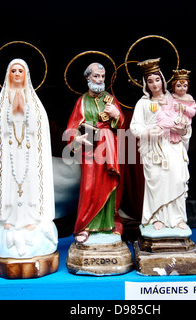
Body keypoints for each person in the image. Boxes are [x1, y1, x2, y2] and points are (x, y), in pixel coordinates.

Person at [0, 59, 58, 258]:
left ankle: (30, 220)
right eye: (13, 71)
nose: (17, 74)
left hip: (28, 154)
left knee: (29, 187)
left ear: (26, 75)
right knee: (9, 186)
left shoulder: (33, 100)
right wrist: (10, 113)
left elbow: (40, 127)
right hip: (10, 154)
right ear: (8, 75)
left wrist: (25, 111)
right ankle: (8, 219)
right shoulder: (3, 100)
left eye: (20, 71)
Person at [65, 62, 124, 243]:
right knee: (90, 187)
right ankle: (85, 225)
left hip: (109, 148)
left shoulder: (111, 99)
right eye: (96, 76)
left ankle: (108, 225)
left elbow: (122, 124)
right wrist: (77, 138)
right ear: (87, 78)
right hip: (90, 148)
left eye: (102, 76)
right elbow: (71, 128)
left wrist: (116, 115)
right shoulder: (81, 101)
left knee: (109, 183)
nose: (99, 80)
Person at [130, 58, 191, 232]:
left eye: (157, 80)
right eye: (150, 81)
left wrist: (182, 127)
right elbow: (134, 127)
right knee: (157, 181)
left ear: (163, 80)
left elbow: (186, 122)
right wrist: (148, 132)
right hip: (153, 149)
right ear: (145, 84)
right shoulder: (143, 104)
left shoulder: (173, 99)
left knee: (177, 178)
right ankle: (156, 216)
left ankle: (178, 217)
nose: (154, 84)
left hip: (172, 145)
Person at [156, 69, 196, 144]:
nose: (182, 88)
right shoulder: (171, 97)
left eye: (185, 86)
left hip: (185, 125)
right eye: (178, 86)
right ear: (173, 86)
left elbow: (193, 112)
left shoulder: (189, 98)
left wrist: (183, 108)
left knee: (183, 145)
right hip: (172, 123)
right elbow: (166, 109)